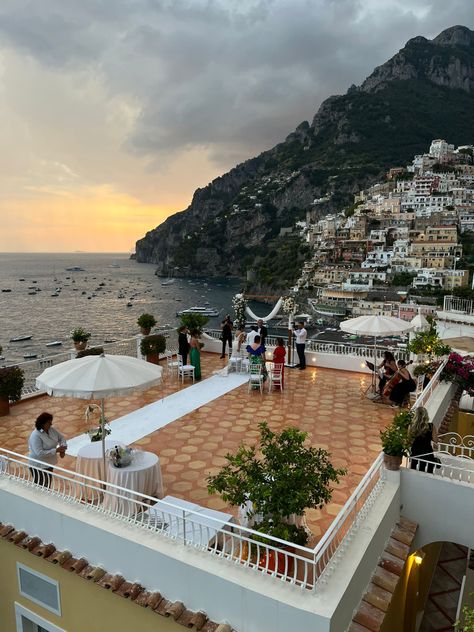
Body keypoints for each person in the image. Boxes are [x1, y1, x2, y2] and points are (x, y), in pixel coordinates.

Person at [28, 412, 67, 488]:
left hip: (48, 463)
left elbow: (61, 438)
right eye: (49, 422)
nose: (51, 424)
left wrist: (63, 448)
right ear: (42, 423)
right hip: (38, 466)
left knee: (47, 484)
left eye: (51, 422)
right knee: (41, 488)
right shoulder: (35, 435)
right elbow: (40, 453)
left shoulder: (51, 430)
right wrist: (56, 450)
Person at [409, 407, 439, 473]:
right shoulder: (431, 426)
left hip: (416, 455)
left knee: (413, 473)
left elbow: (409, 441)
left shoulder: (411, 426)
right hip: (427, 454)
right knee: (428, 475)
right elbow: (436, 441)